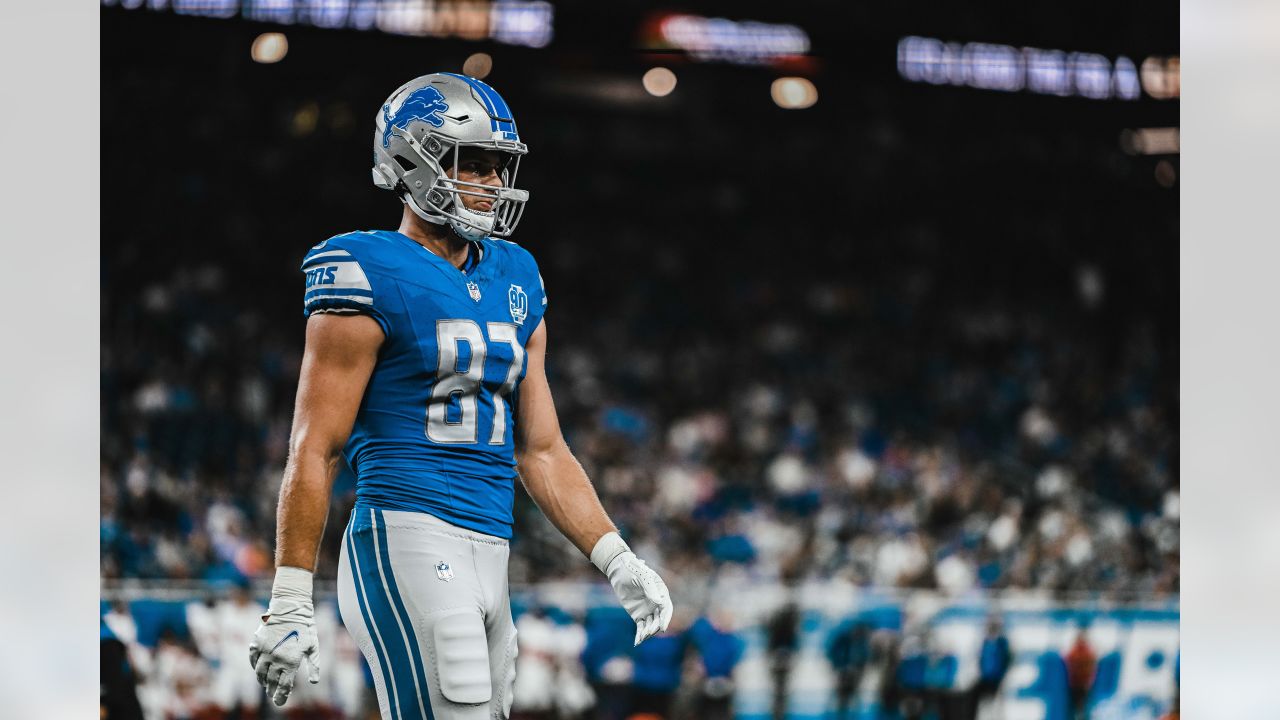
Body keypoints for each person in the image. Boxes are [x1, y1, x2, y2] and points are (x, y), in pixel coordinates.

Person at [247, 72, 674, 720]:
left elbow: (544, 450)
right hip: (406, 537)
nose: (494, 183)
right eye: (472, 163)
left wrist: (616, 558)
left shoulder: (517, 276)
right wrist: (289, 594)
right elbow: (316, 445)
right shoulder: (367, 267)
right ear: (410, 159)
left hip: (490, 550)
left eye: (499, 166)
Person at [1064, 627, 1097, 720]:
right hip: (1079, 684)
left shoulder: (1082, 652)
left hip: (1079, 684)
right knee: (1079, 707)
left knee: (1079, 707)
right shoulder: (1085, 652)